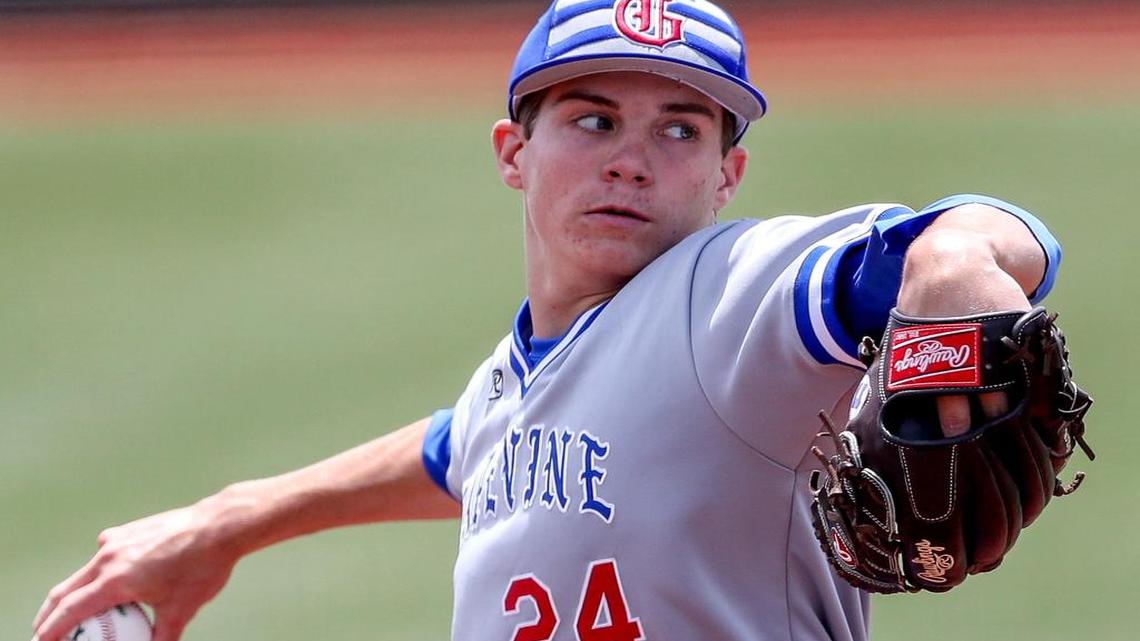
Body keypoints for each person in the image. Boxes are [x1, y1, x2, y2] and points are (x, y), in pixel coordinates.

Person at [32, 1, 1061, 640]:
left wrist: (947, 263)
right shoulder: (522, 374)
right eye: (593, 119)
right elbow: (463, 447)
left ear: (726, 174)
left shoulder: (728, 295)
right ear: (512, 153)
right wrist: (228, 521)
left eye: (679, 128)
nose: (632, 156)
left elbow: (984, 238)